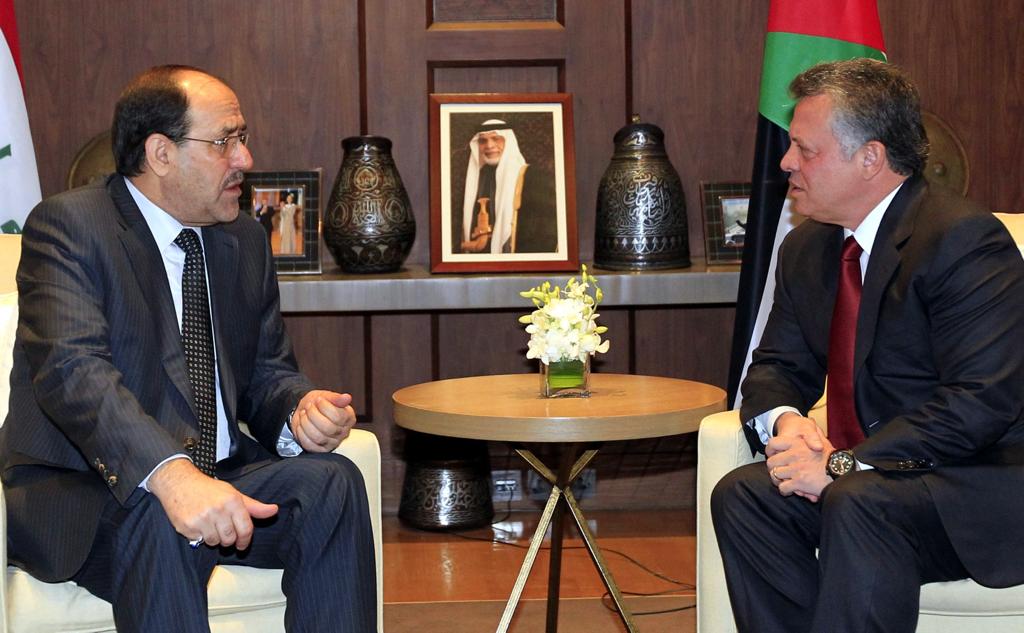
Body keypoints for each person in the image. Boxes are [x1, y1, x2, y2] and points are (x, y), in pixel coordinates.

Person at [0, 65, 376, 632]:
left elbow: (266, 373)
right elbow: (75, 374)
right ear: (160, 154)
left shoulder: (242, 238)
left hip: (221, 475)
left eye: (242, 137)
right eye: (224, 141)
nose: (244, 158)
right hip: (91, 492)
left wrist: (298, 412)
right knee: (161, 515)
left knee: (332, 484)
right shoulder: (71, 226)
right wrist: (172, 477)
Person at [710, 58, 1024, 633]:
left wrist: (841, 465)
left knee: (858, 500)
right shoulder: (808, 248)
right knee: (746, 496)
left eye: (805, 150)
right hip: (872, 483)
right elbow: (776, 366)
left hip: (970, 487)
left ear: (870, 158)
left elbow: (980, 402)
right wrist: (788, 425)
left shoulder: (963, 240)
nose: (785, 162)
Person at [455, 118, 556, 254]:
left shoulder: (533, 177)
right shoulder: (476, 181)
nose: (489, 146)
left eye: (496, 139)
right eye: (483, 141)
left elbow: (546, 232)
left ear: (508, 142)